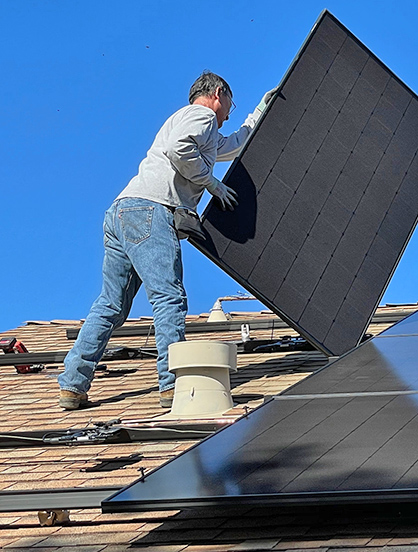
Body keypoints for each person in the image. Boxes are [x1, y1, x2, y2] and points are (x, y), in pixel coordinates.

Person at [57, 71, 276, 410]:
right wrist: (212, 185)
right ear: (219, 93)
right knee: (168, 297)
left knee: (110, 305)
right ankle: (173, 386)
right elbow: (179, 150)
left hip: (121, 212)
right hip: (151, 210)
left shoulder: (190, 122)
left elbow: (232, 146)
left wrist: (261, 110)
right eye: (231, 103)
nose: (231, 111)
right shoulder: (201, 116)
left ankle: (72, 384)